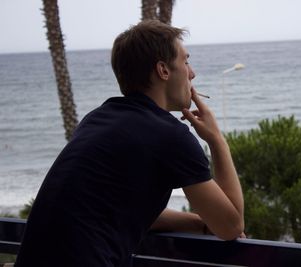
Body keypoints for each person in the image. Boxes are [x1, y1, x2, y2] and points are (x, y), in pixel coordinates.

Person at [15, 20, 244, 267]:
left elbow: (117, 209)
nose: (192, 72)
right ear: (163, 70)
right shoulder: (169, 134)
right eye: (186, 61)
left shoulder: (97, 119)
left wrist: (196, 222)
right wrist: (216, 139)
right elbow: (230, 226)